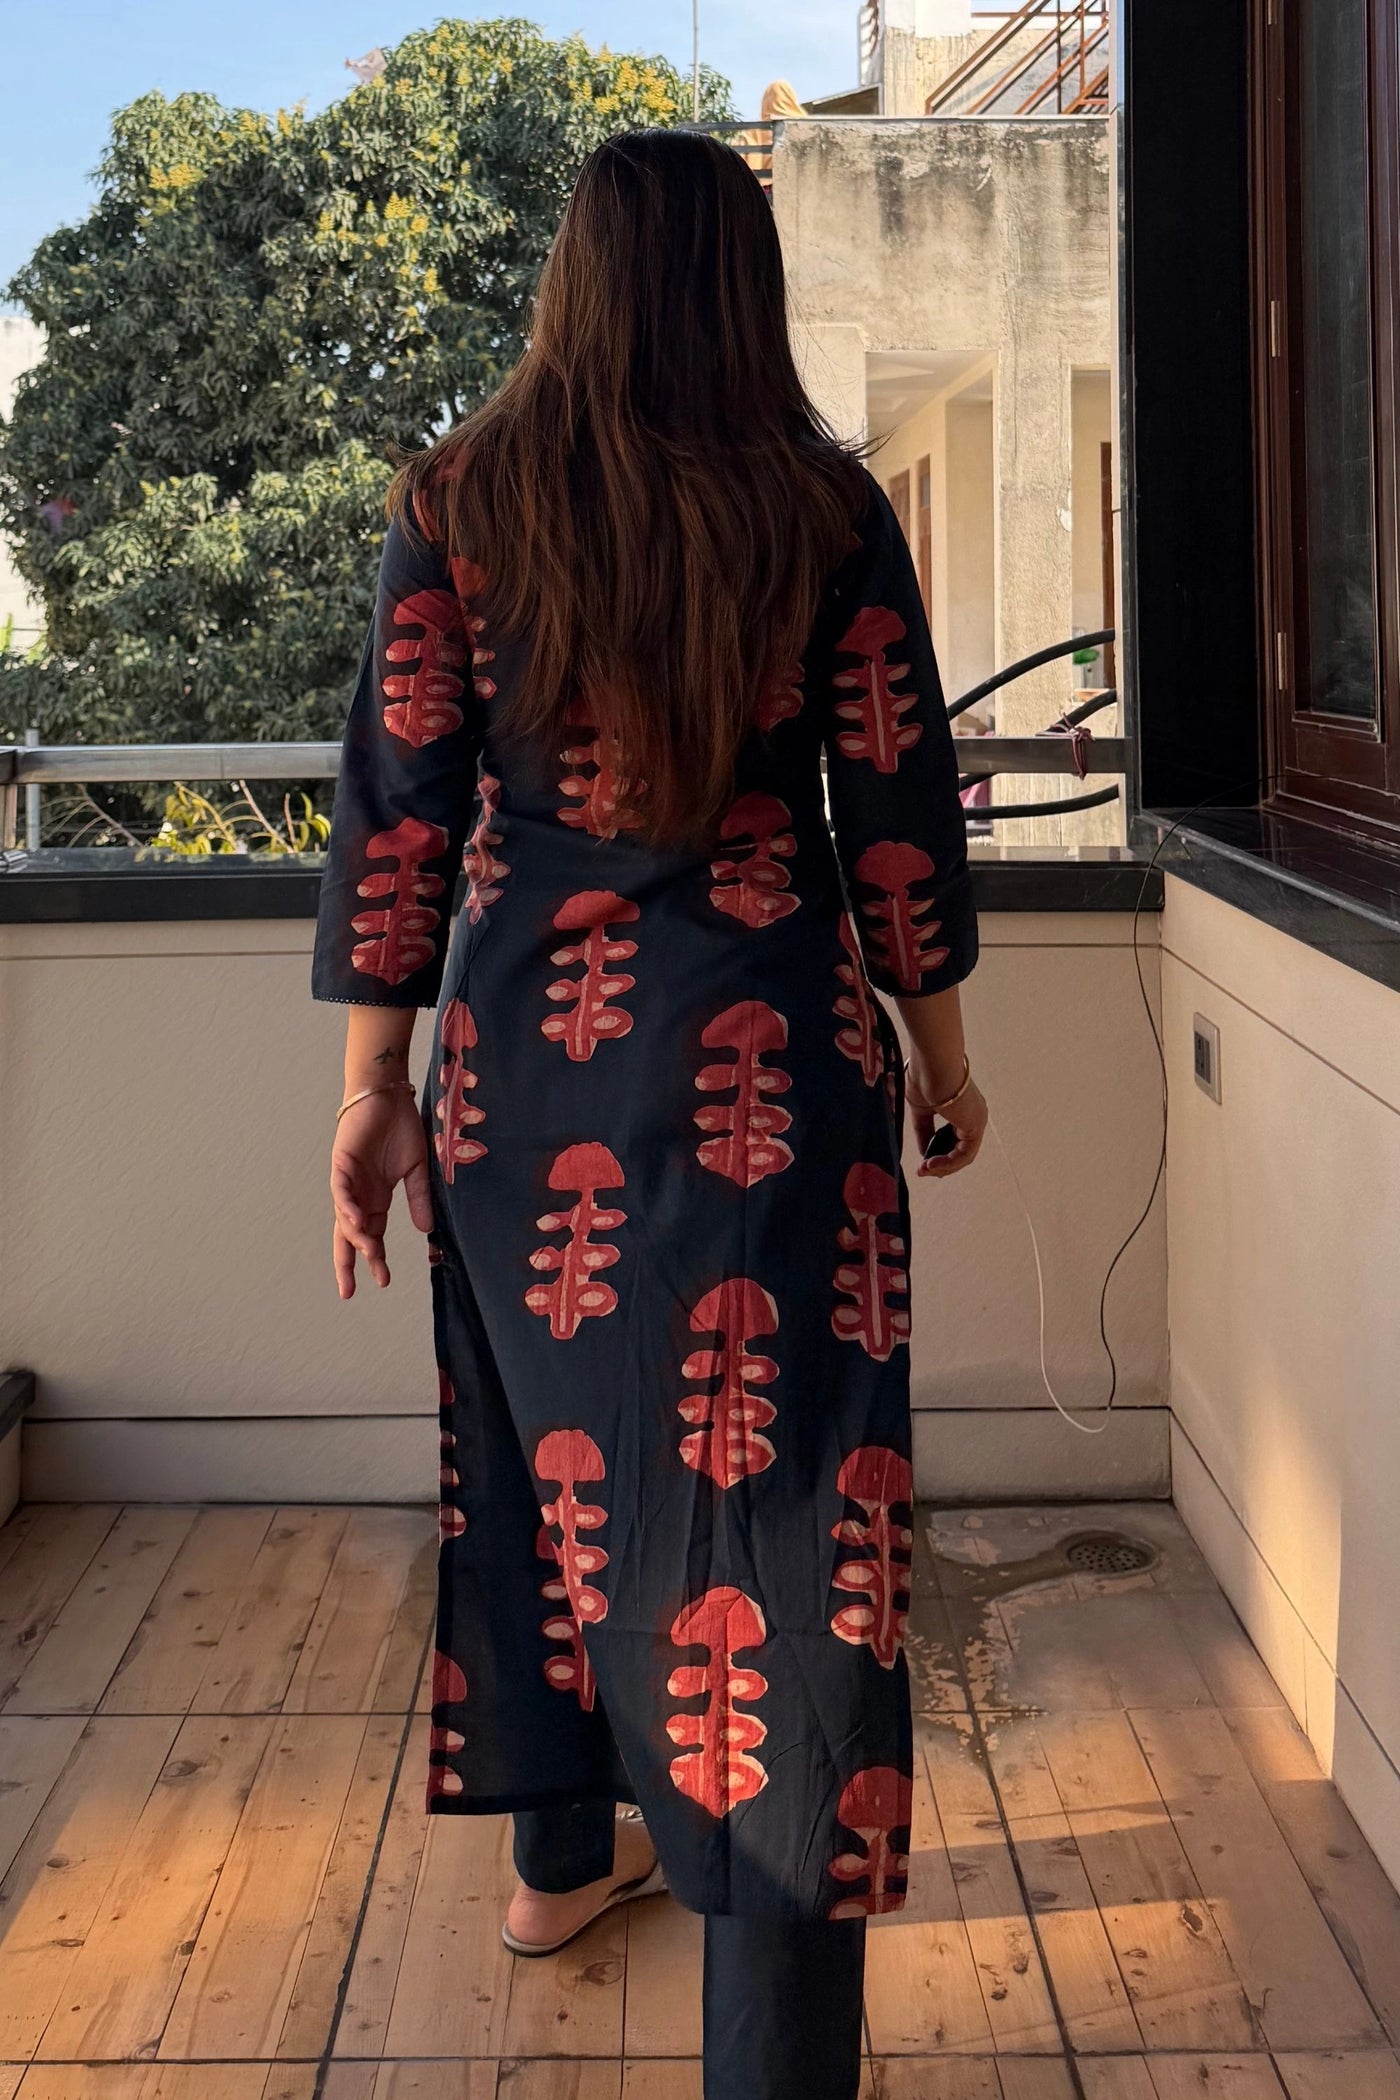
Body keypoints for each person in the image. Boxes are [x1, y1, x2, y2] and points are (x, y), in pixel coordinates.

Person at [313, 128, 986, 2100]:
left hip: (522, 1083)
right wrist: (944, 1057)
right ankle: (775, 2057)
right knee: (782, 1541)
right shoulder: (822, 507)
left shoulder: (460, 502)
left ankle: (555, 1870)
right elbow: (895, 805)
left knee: (551, 1469)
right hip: (777, 1077)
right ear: (742, 288)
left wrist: (369, 1091)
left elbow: (400, 815)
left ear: (573, 282)